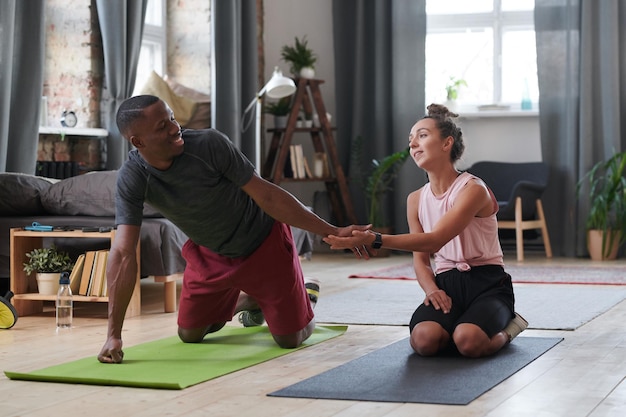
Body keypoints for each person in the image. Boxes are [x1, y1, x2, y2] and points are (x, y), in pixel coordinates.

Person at [98, 95, 368, 364]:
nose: (174, 128)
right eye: (161, 126)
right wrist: (113, 335)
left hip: (262, 243)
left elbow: (267, 195)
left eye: (172, 118)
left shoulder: (209, 145)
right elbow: (122, 252)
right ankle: (252, 300)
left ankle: (304, 292)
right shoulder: (132, 177)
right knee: (189, 334)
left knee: (290, 339)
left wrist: (330, 230)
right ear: (138, 141)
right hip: (210, 254)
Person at [323, 104, 528, 358]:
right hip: (446, 284)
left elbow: (434, 241)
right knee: (423, 341)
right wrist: (432, 290)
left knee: (469, 342)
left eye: (422, 135)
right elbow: (421, 260)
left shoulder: (473, 189)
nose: (413, 145)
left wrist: (374, 240)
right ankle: (460, 324)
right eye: (410, 140)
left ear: (446, 143)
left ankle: (509, 328)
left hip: (487, 284)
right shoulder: (416, 200)